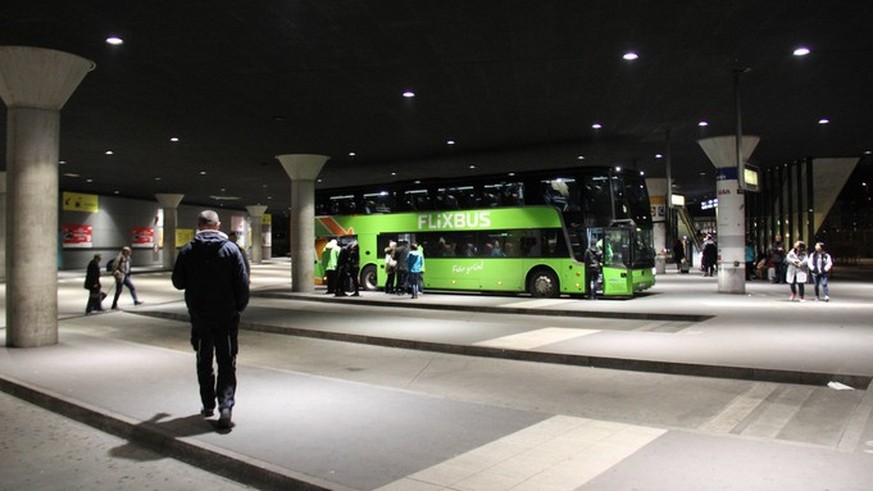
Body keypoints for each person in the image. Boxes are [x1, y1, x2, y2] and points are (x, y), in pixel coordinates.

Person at [172, 210, 249, 429]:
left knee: (204, 361)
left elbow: (178, 281)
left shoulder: (188, 250)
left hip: (199, 317)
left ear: (199, 225)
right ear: (217, 225)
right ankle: (226, 406)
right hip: (226, 317)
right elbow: (242, 285)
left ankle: (207, 405)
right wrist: (238, 308)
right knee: (226, 361)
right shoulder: (231, 250)